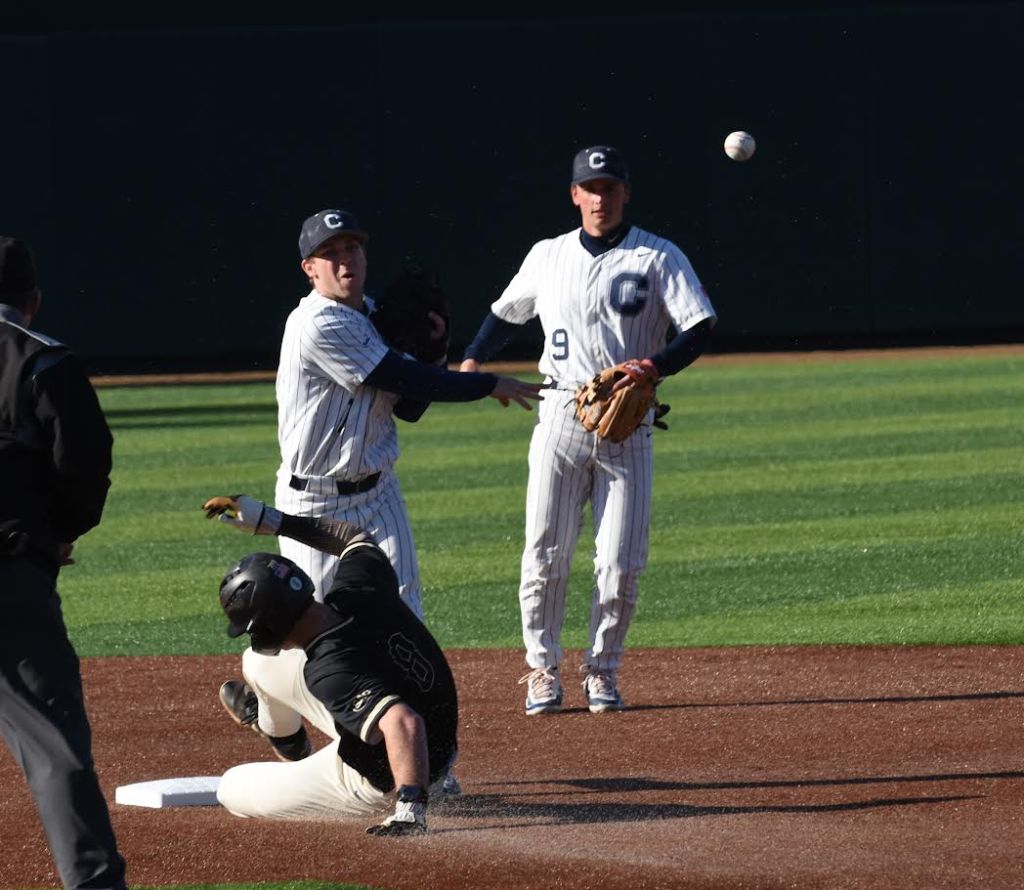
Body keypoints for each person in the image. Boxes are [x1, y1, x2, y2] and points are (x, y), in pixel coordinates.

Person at [219, 209, 540, 770]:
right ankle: (272, 716)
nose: (346, 261)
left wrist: (436, 344)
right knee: (307, 632)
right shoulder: (319, 324)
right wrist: (485, 382)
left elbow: (410, 407)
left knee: (401, 624)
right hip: (313, 501)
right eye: (333, 253)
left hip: (378, 498)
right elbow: (406, 380)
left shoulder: (370, 315)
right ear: (310, 268)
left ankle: (426, 761)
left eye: (354, 250)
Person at [460, 146, 718, 716]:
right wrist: (475, 358)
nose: (600, 197)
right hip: (558, 415)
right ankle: (540, 670)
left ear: (626, 192)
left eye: (610, 187)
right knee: (544, 553)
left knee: (621, 561)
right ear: (574, 194)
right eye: (590, 188)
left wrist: (654, 367)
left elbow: (699, 326)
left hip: (630, 426)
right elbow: (507, 311)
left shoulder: (659, 256)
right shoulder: (547, 256)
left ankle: (602, 669)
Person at [205, 494, 458, 835]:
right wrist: (273, 520)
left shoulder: (327, 670)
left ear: (271, 624)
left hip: (387, 777)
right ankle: (288, 743)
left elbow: (403, 721)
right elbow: (355, 538)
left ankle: (313, 768)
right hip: (432, 736)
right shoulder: (358, 586)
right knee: (257, 664)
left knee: (231, 786)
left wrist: (409, 807)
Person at [0, 237, 129, 888]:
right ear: (33, 300)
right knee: (55, 749)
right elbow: (85, 467)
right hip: (9, 576)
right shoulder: (41, 359)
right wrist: (54, 535)